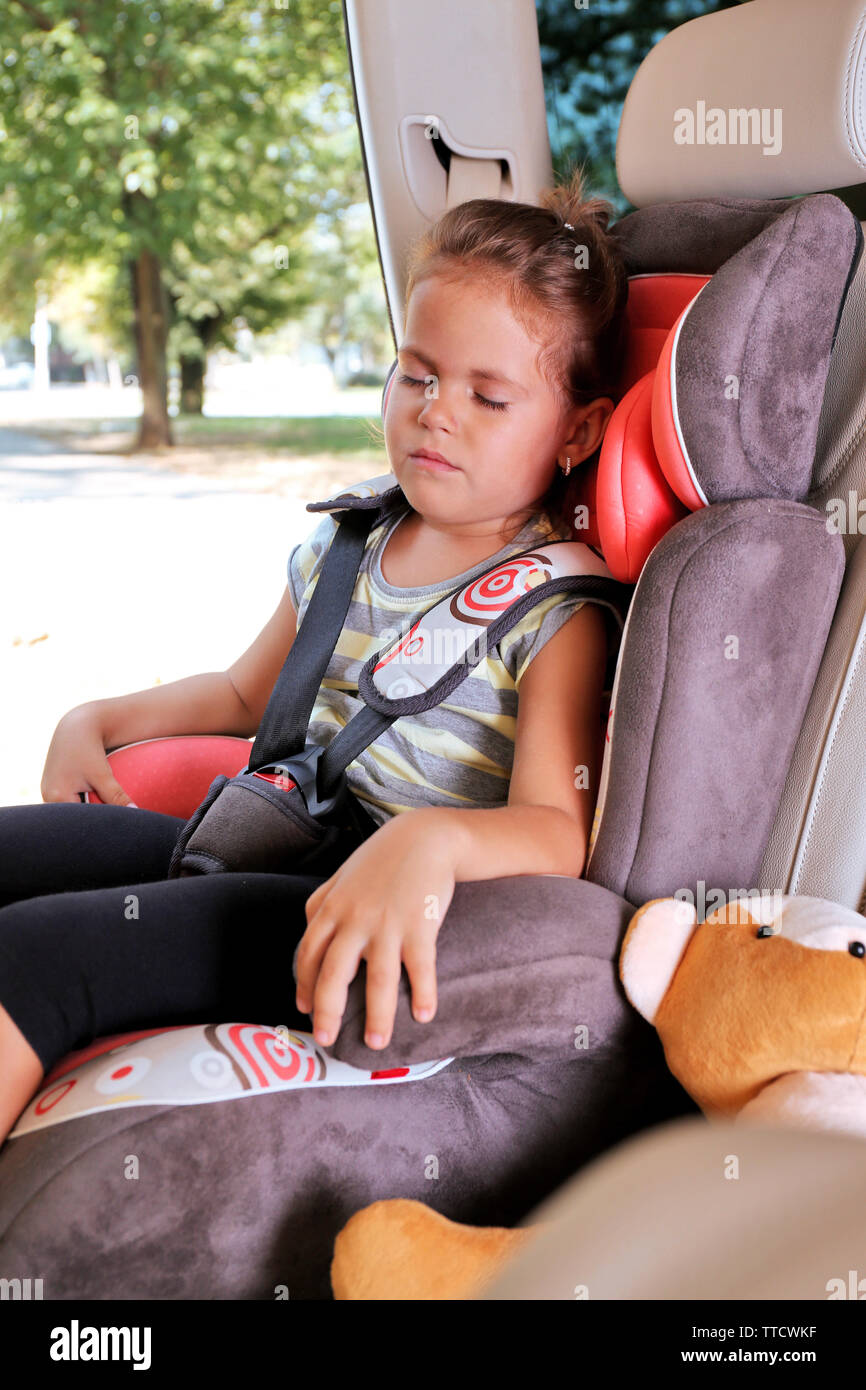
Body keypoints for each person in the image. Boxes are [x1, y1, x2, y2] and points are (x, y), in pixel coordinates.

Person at [0, 163, 628, 1145]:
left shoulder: (554, 610)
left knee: (33, 958)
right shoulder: (355, 540)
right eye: (416, 372)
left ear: (575, 431)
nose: (435, 410)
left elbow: (558, 827)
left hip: (343, 912)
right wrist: (100, 719)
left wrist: (429, 841)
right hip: (258, 835)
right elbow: (246, 692)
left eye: (487, 396)